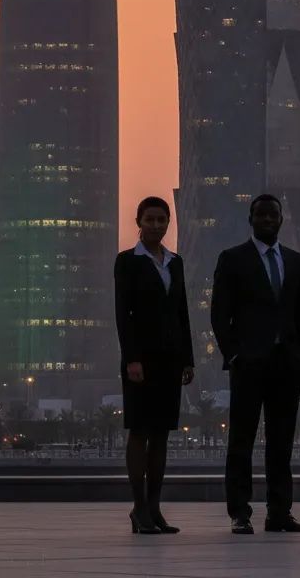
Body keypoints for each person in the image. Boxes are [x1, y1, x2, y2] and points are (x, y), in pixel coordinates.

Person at [209, 194, 300, 534]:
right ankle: (240, 513)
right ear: (250, 219)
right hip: (249, 364)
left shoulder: (296, 261)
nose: (268, 219)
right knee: (241, 441)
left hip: (287, 364)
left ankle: (279, 513)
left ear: (282, 219)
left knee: (282, 442)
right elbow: (219, 313)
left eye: (273, 214)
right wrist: (234, 354)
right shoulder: (232, 259)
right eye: (261, 214)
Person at [114, 196, 195, 535]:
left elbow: (182, 313)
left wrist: (188, 358)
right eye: (150, 219)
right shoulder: (127, 262)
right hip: (141, 360)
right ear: (139, 221)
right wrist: (131, 358)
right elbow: (123, 313)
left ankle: (155, 508)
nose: (157, 225)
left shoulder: (174, 262)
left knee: (162, 433)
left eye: (162, 220)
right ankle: (138, 508)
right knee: (140, 431)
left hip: (171, 359)